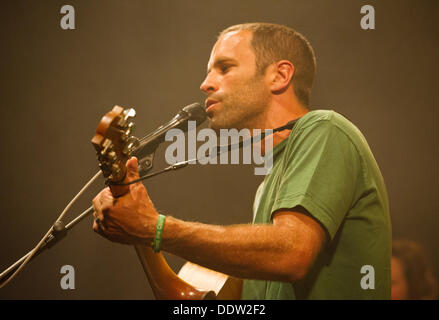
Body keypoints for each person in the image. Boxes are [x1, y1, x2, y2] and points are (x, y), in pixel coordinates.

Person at [92, 22, 392, 299]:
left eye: (224, 67)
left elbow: (290, 254)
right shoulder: (268, 187)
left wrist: (154, 228)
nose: (206, 84)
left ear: (280, 75)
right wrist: (142, 230)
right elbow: (185, 299)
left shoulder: (326, 129)